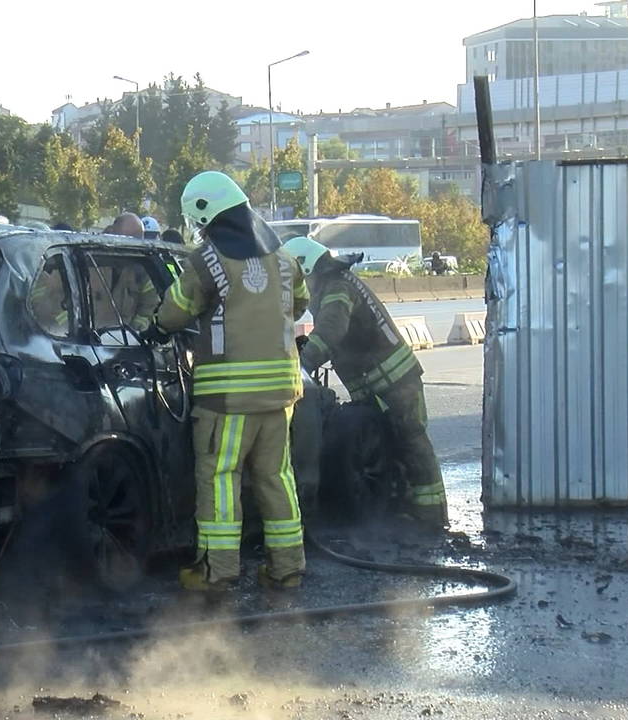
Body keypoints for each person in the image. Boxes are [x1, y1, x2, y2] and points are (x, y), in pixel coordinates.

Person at [147, 172, 309, 591]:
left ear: (205, 213)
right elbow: (301, 301)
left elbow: (176, 311)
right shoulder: (283, 257)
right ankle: (286, 568)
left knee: (220, 479)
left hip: (228, 399)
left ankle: (216, 574)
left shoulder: (207, 260)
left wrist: (155, 328)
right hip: (280, 395)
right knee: (277, 477)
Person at [281, 236, 447, 528]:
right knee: (393, 446)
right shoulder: (338, 282)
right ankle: (405, 509)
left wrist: (301, 364)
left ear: (305, 269)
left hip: (394, 383)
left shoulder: (336, 289)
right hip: (383, 383)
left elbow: (331, 332)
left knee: (411, 442)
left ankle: (431, 516)